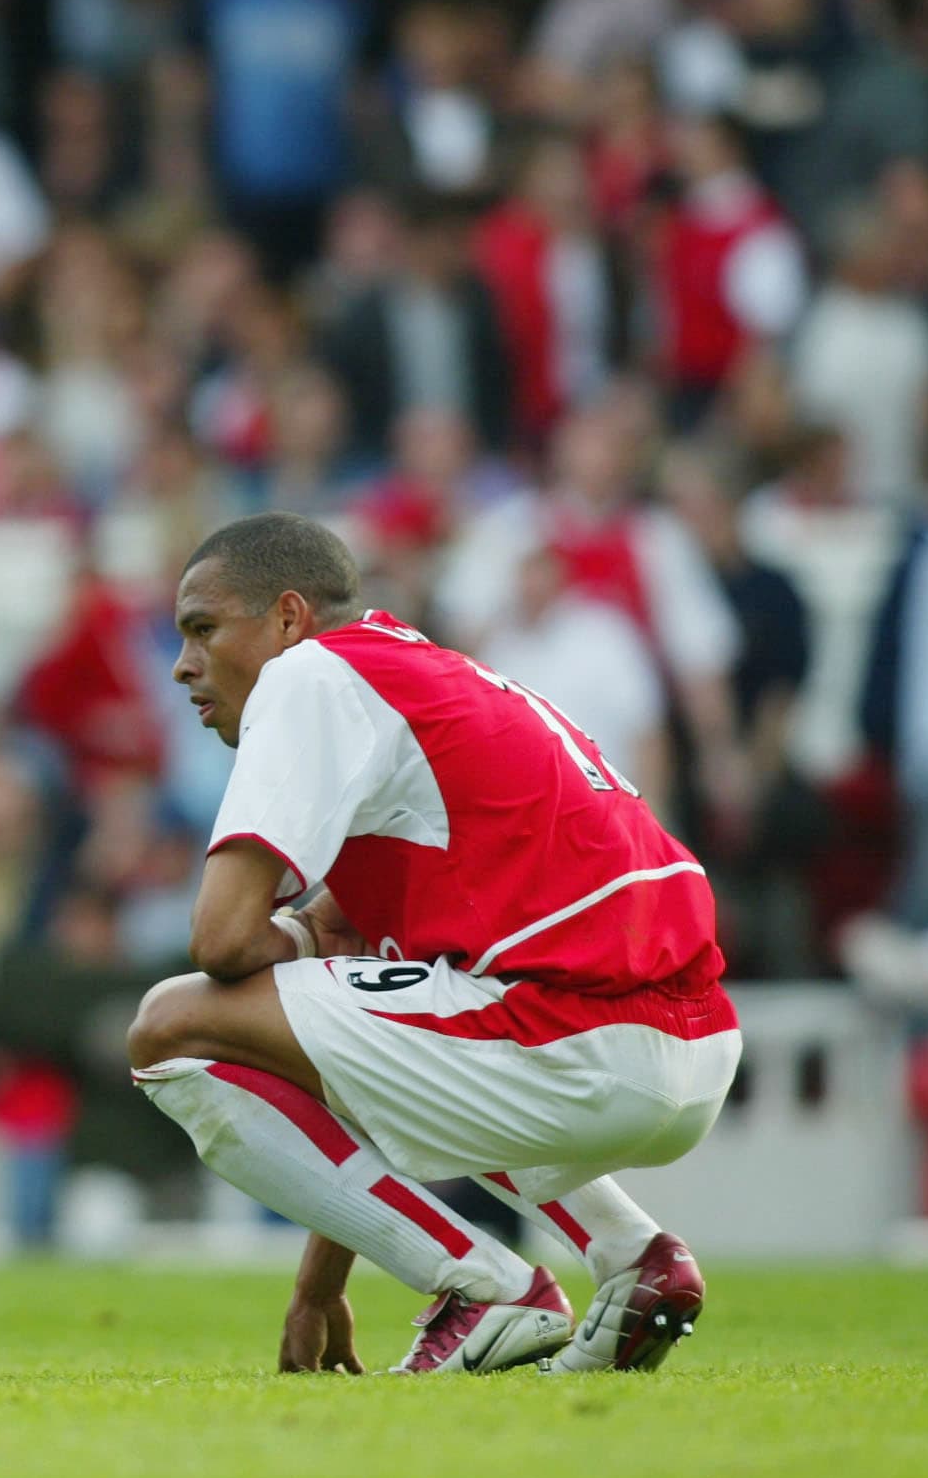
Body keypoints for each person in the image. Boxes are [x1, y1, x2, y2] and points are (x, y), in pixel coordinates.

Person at [127, 513, 740, 1375]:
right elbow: (350, 1043)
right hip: (689, 1039)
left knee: (171, 1027)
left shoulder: (309, 679)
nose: (183, 664)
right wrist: (316, 1286)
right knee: (391, 1006)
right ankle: (634, 1260)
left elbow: (221, 940)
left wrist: (299, 940)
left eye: (202, 628)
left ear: (290, 618)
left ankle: (485, 1287)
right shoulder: (429, 674)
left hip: (578, 1037)